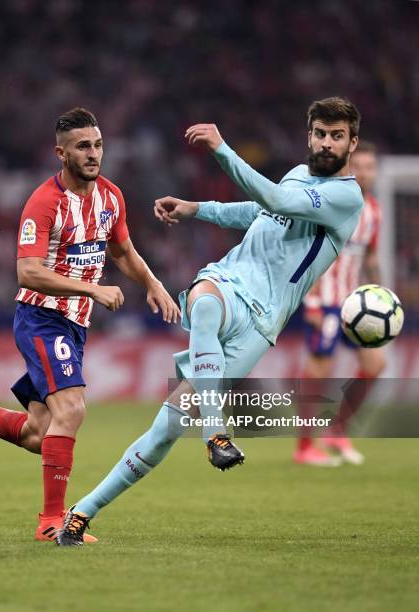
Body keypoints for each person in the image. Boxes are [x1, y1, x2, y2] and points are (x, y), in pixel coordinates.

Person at [56, 97, 365, 546]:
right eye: (320, 133)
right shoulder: (299, 176)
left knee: (164, 430)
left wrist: (222, 149)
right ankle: (216, 431)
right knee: (202, 304)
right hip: (229, 280)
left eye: (337, 136)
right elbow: (260, 211)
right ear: (310, 135)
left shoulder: (345, 196)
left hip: (262, 322)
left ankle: (83, 510)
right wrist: (197, 208)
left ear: (352, 143)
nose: (326, 142)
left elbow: (275, 198)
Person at [0, 107, 180, 543]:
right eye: (83, 146)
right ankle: (52, 521)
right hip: (42, 318)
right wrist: (93, 290)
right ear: (61, 153)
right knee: (73, 409)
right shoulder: (43, 202)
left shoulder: (110, 197)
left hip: (74, 325)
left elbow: (122, 251)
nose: (93, 154)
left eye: (98, 145)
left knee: (38, 434)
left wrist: (153, 284)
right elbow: (27, 272)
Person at [295, 141, 385, 466]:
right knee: (319, 367)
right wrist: (313, 303)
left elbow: (371, 256)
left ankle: (337, 430)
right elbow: (313, 253)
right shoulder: (332, 206)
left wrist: (380, 294)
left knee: (375, 364)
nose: (364, 173)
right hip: (326, 300)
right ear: (348, 168)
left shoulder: (374, 211)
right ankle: (305, 446)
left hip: (354, 304)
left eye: (370, 167)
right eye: (358, 166)